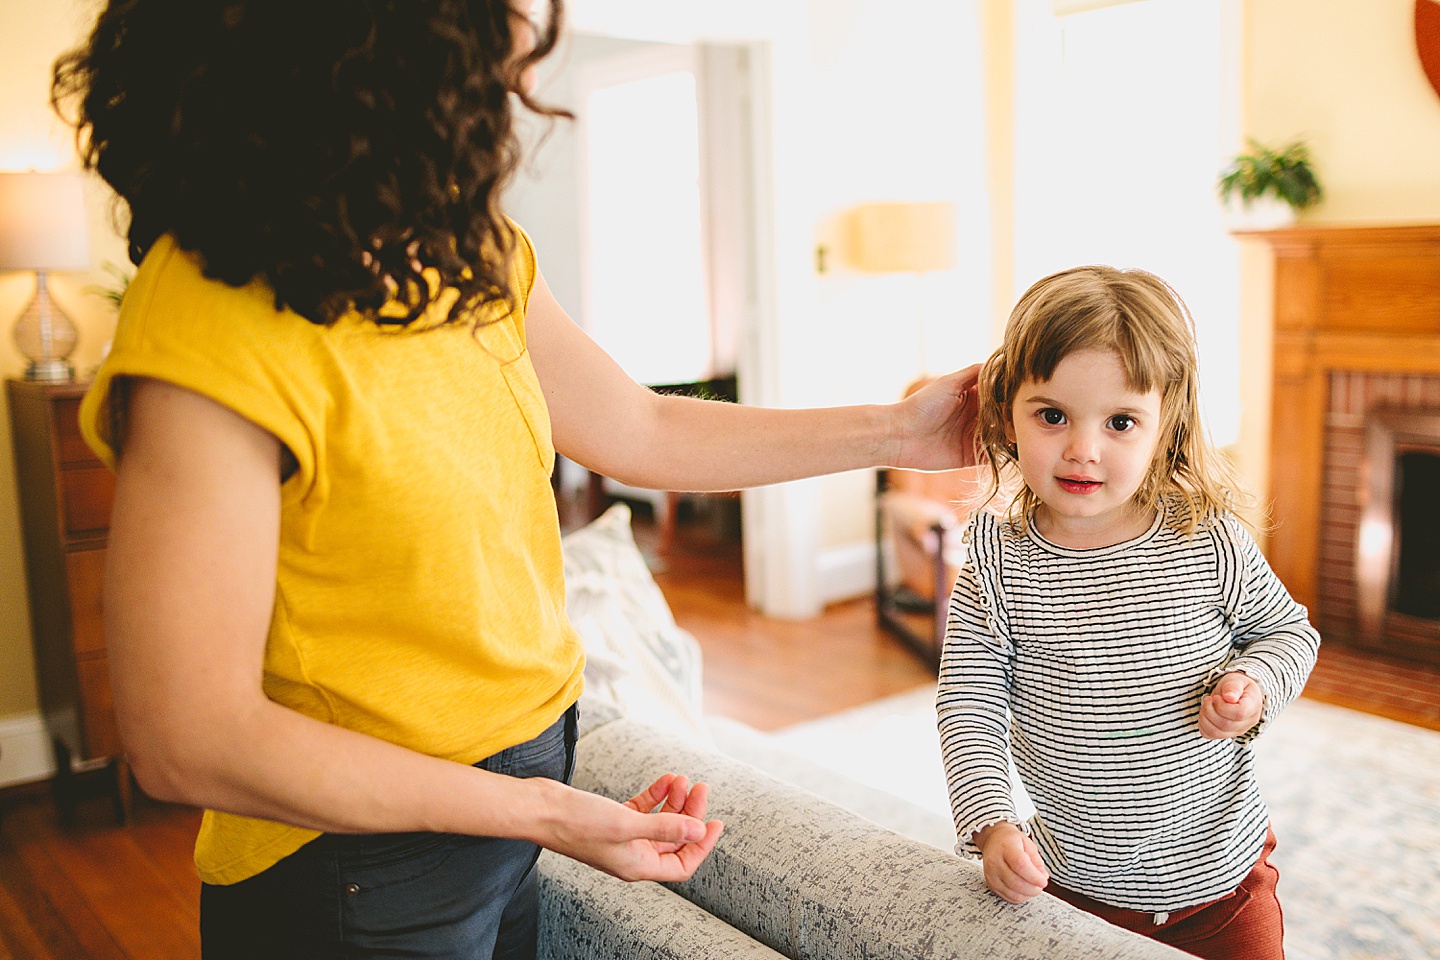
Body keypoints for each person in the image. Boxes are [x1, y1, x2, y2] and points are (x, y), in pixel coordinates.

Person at [51, 1, 980, 957]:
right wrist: (542, 812)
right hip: (352, 874)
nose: (513, 99)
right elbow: (186, 737)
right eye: (485, 67)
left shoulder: (469, 251)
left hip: (500, 820)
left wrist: (903, 429)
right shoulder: (212, 312)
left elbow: (644, 425)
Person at [936, 265, 1320, 960]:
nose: (1084, 448)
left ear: (1164, 423)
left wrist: (1257, 683)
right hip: (1071, 888)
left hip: (1224, 888)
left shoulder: (1208, 537)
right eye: (1051, 415)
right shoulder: (997, 563)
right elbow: (969, 708)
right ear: (1007, 414)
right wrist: (992, 825)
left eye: (1120, 422)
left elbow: (1289, 631)